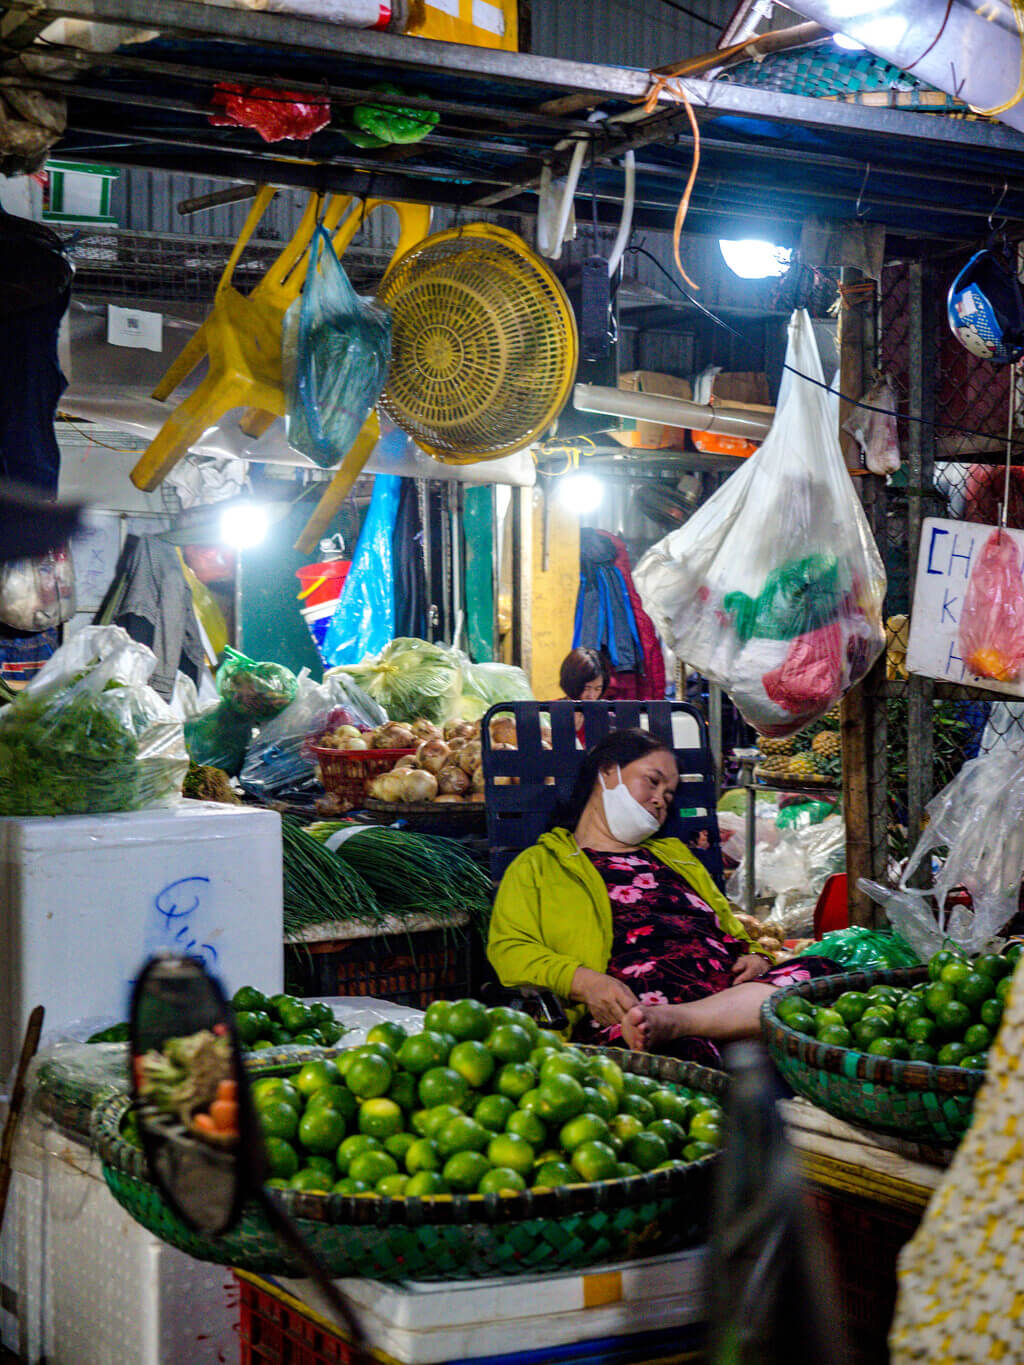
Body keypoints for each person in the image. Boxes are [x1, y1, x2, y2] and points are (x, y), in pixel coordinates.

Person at [487, 728, 838, 1065]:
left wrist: (755, 954)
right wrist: (585, 982)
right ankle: (695, 1027)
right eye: (652, 782)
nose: (660, 800)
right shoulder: (540, 864)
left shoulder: (675, 855)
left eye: (669, 795)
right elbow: (510, 948)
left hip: (724, 996)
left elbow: (729, 926)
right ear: (607, 772)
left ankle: (686, 1021)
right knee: (686, 1050)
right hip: (638, 1009)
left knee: (826, 974)